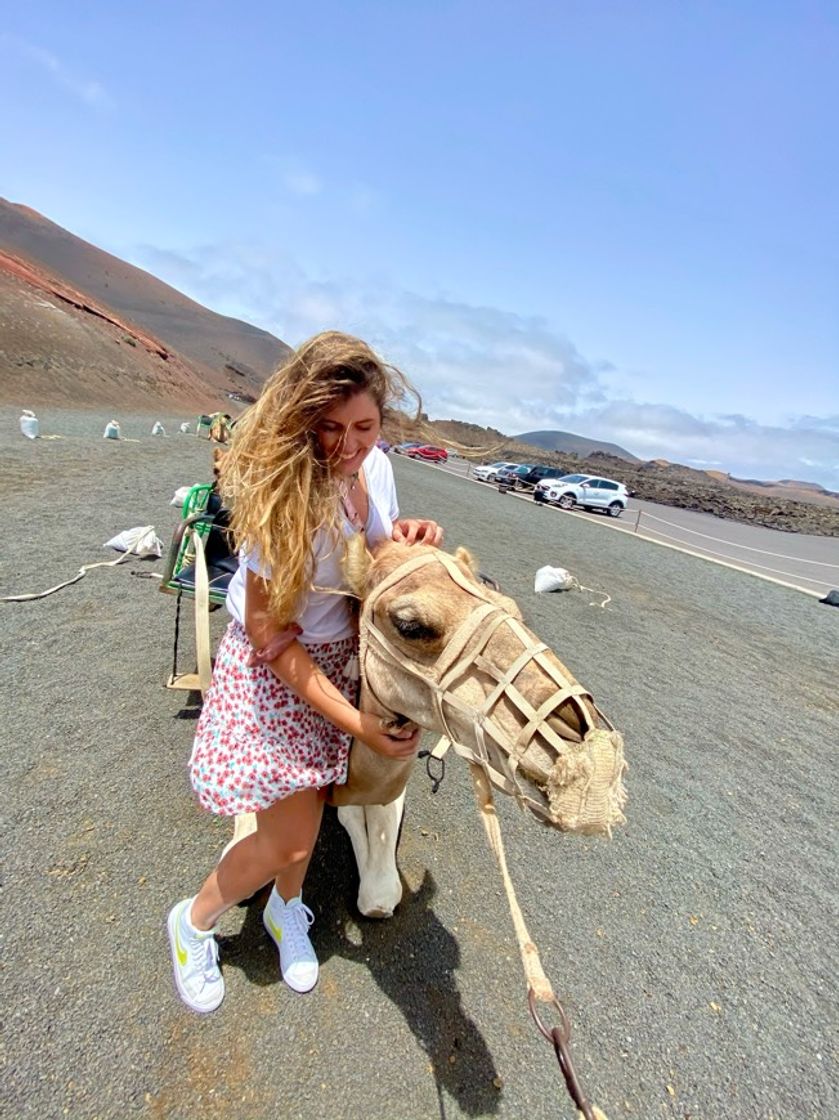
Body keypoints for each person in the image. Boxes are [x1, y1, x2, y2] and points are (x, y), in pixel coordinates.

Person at [167, 331, 443, 1013]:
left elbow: (373, 552)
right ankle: (193, 921)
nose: (348, 445)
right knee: (286, 835)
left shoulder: (364, 475)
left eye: (364, 427)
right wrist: (359, 725)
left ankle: (284, 910)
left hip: (332, 664)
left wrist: (408, 539)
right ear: (302, 420)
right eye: (330, 428)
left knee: (312, 808)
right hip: (278, 675)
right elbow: (266, 633)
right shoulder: (282, 501)